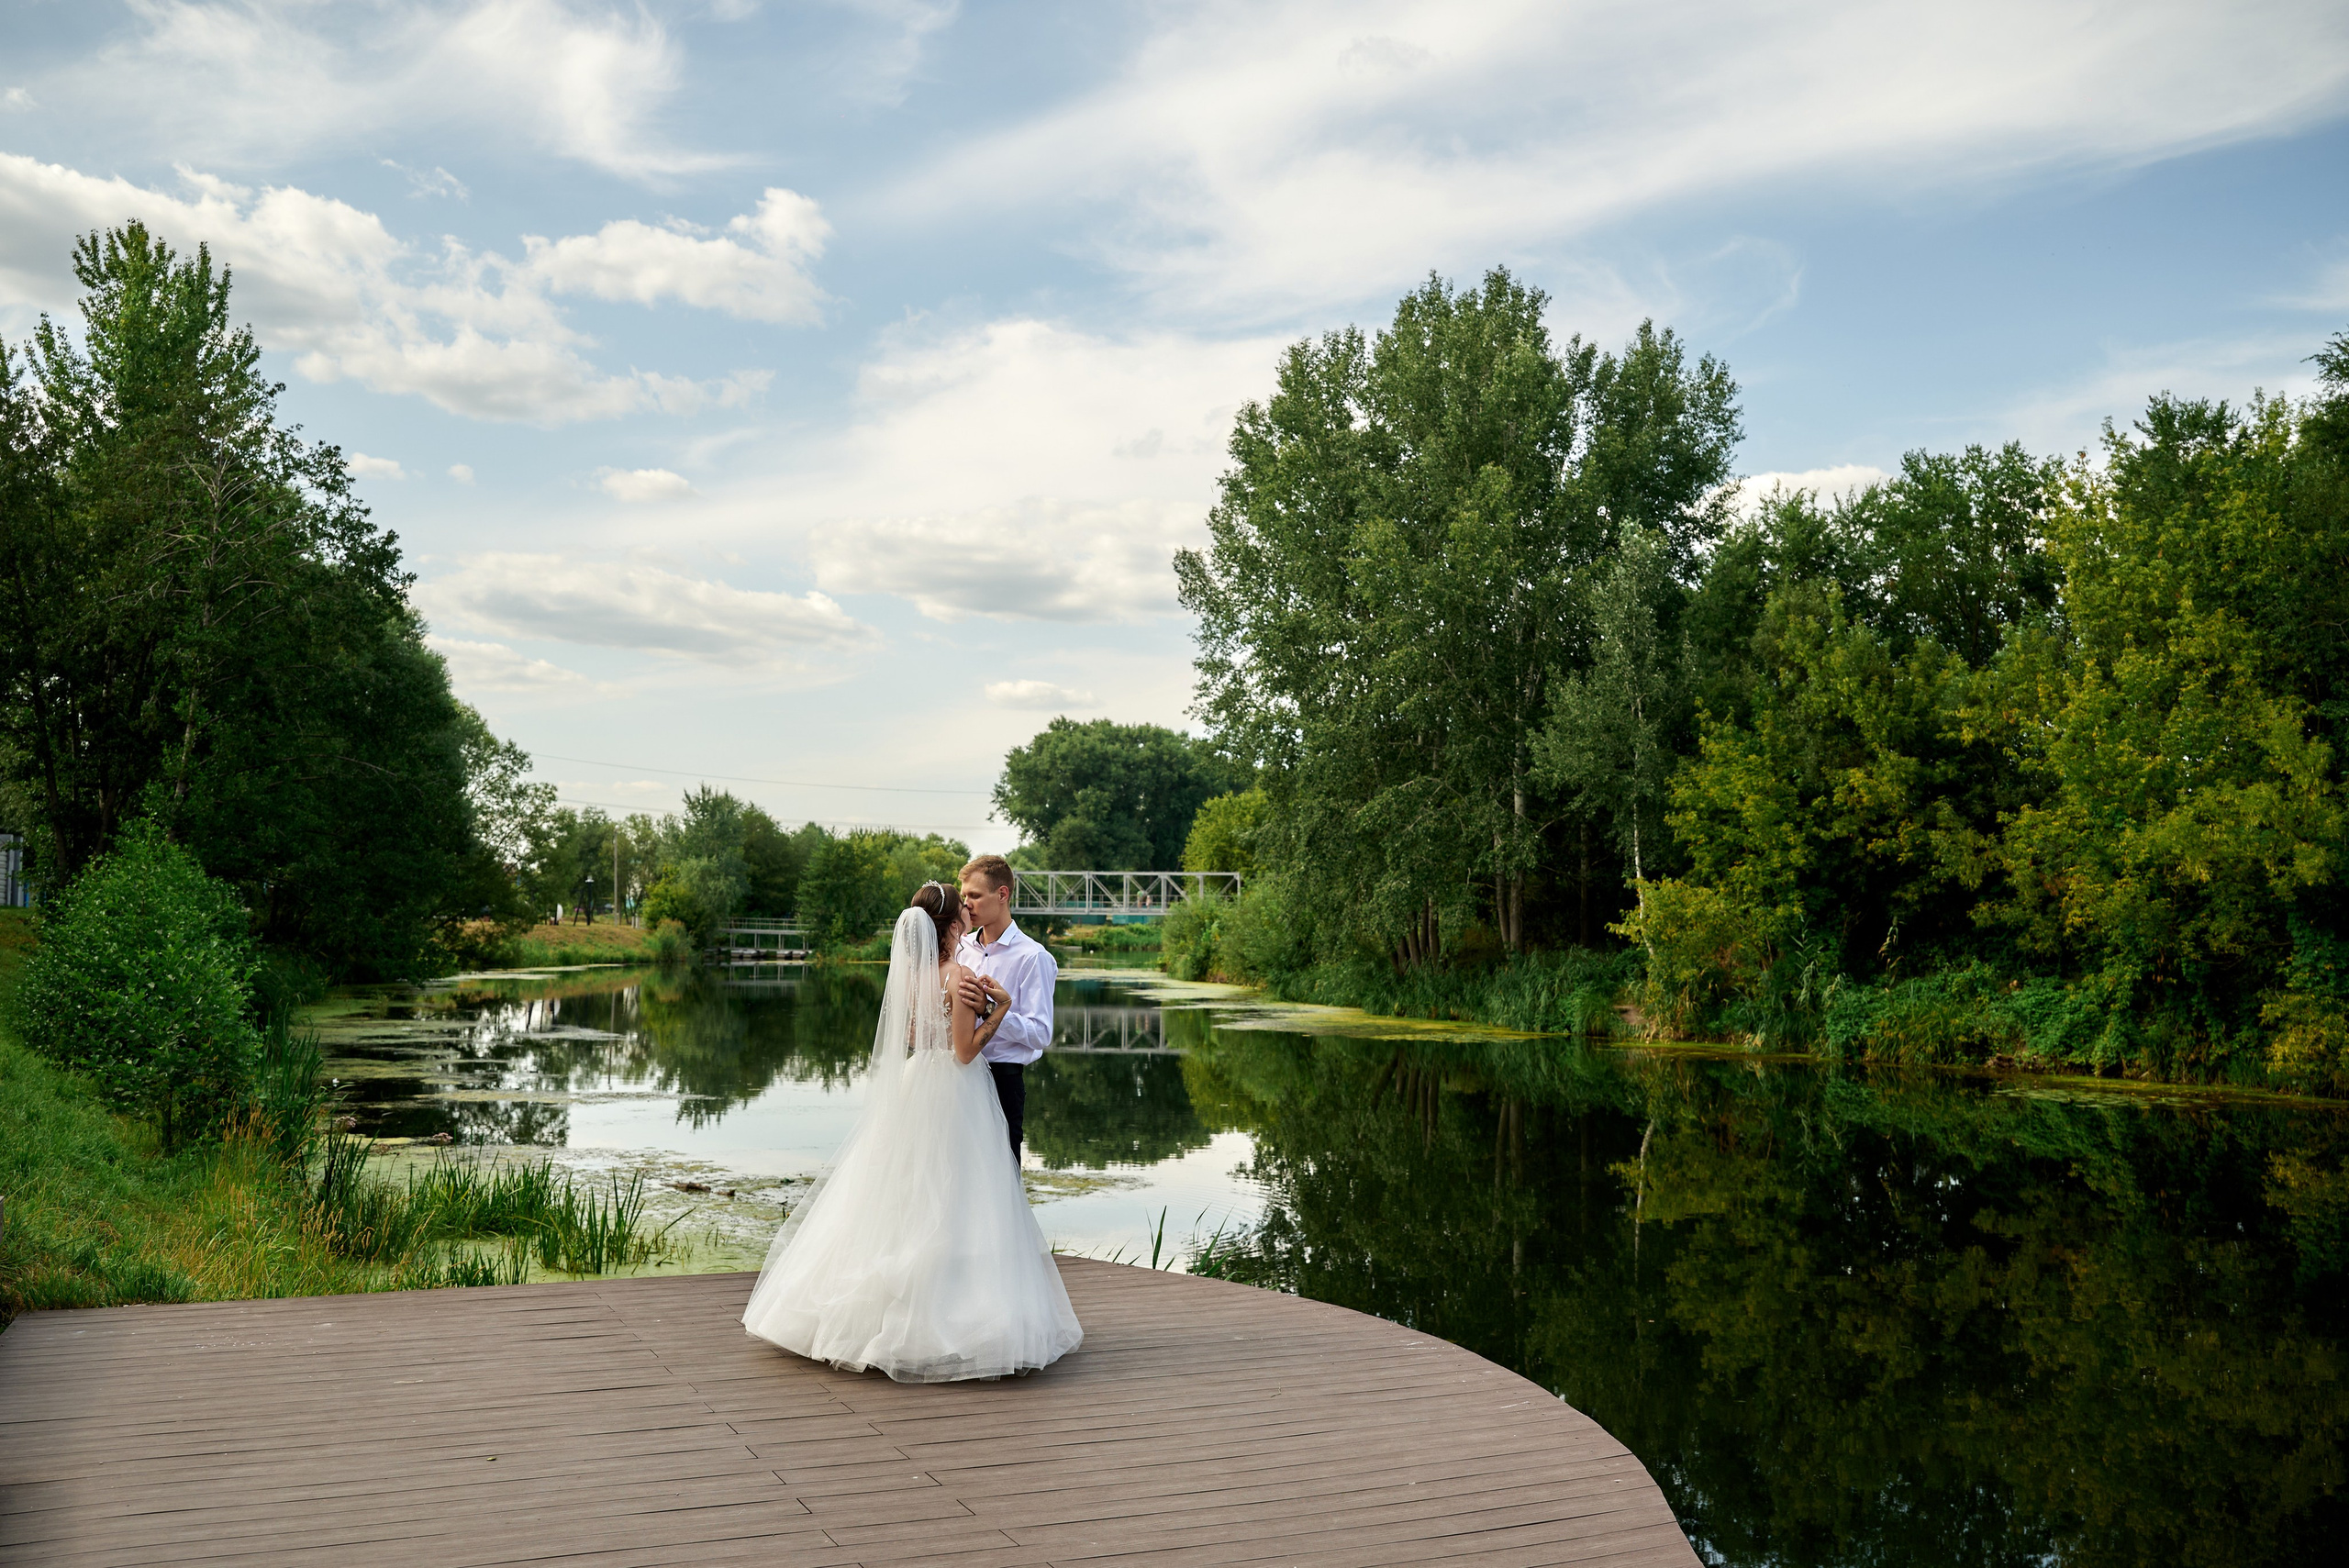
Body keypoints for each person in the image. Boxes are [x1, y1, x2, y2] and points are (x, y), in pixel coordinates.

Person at [740, 882, 1082, 1382]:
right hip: (956, 1092)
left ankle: (871, 1308)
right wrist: (1000, 1011)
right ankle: (957, 1312)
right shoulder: (957, 976)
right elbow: (965, 1052)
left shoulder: (913, 977)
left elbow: (910, 1036)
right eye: (963, 907)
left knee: (902, 1191)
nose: (970, 912)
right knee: (960, 1197)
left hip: (915, 1081)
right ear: (952, 925)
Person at [952, 854, 1057, 1162]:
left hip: (1002, 1081)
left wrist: (990, 1011)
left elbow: (1040, 1034)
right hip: (956, 1078)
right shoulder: (959, 949)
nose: (967, 904)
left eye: (975, 895)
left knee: (1001, 1180)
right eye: (964, 896)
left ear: (1002, 895)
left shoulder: (1033, 957)